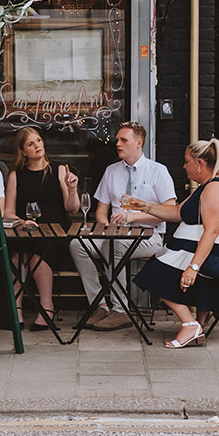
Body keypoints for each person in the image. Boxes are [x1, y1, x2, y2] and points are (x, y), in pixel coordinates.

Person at [130, 138, 219, 348]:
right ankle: (198, 323)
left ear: (200, 163)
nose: (184, 166)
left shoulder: (215, 189)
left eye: (187, 161)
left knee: (154, 274)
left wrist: (193, 267)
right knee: (161, 262)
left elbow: (212, 231)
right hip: (207, 252)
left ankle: (189, 324)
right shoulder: (207, 186)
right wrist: (145, 207)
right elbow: (178, 212)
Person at [79, 120, 176, 331]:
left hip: (150, 237)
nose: (118, 144)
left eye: (124, 140)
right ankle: (100, 305)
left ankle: (121, 311)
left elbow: (170, 212)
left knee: (116, 246)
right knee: (77, 245)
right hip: (114, 235)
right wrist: (107, 230)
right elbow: (101, 212)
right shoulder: (111, 171)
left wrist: (132, 218)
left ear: (139, 143)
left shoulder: (158, 171)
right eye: (117, 140)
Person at [2, 127, 79, 330]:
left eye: (38, 140)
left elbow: (72, 209)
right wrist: (21, 222)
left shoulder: (60, 169)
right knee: (16, 255)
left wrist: (72, 190)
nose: (37, 146)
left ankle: (47, 307)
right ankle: (16, 308)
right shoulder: (15, 175)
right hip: (27, 230)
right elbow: (8, 211)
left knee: (37, 254)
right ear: (23, 151)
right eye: (30, 143)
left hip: (56, 231)